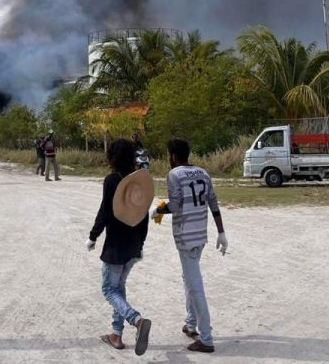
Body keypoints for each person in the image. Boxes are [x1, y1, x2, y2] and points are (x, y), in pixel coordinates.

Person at [153, 138, 227, 354]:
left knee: (195, 285)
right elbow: (213, 202)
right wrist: (221, 232)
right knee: (189, 278)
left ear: (173, 155)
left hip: (185, 237)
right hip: (201, 235)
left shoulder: (174, 175)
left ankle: (206, 338)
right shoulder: (203, 172)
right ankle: (190, 323)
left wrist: (158, 209)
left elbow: (174, 206)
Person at [87, 139, 152, 355]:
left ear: (112, 157)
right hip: (134, 244)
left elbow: (105, 211)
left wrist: (93, 236)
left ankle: (137, 320)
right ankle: (116, 334)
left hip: (116, 246)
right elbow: (144, 216)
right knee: (119, 288)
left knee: (108, 289)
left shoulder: (112, 180)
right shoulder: (139, 181)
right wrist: (141, 242)